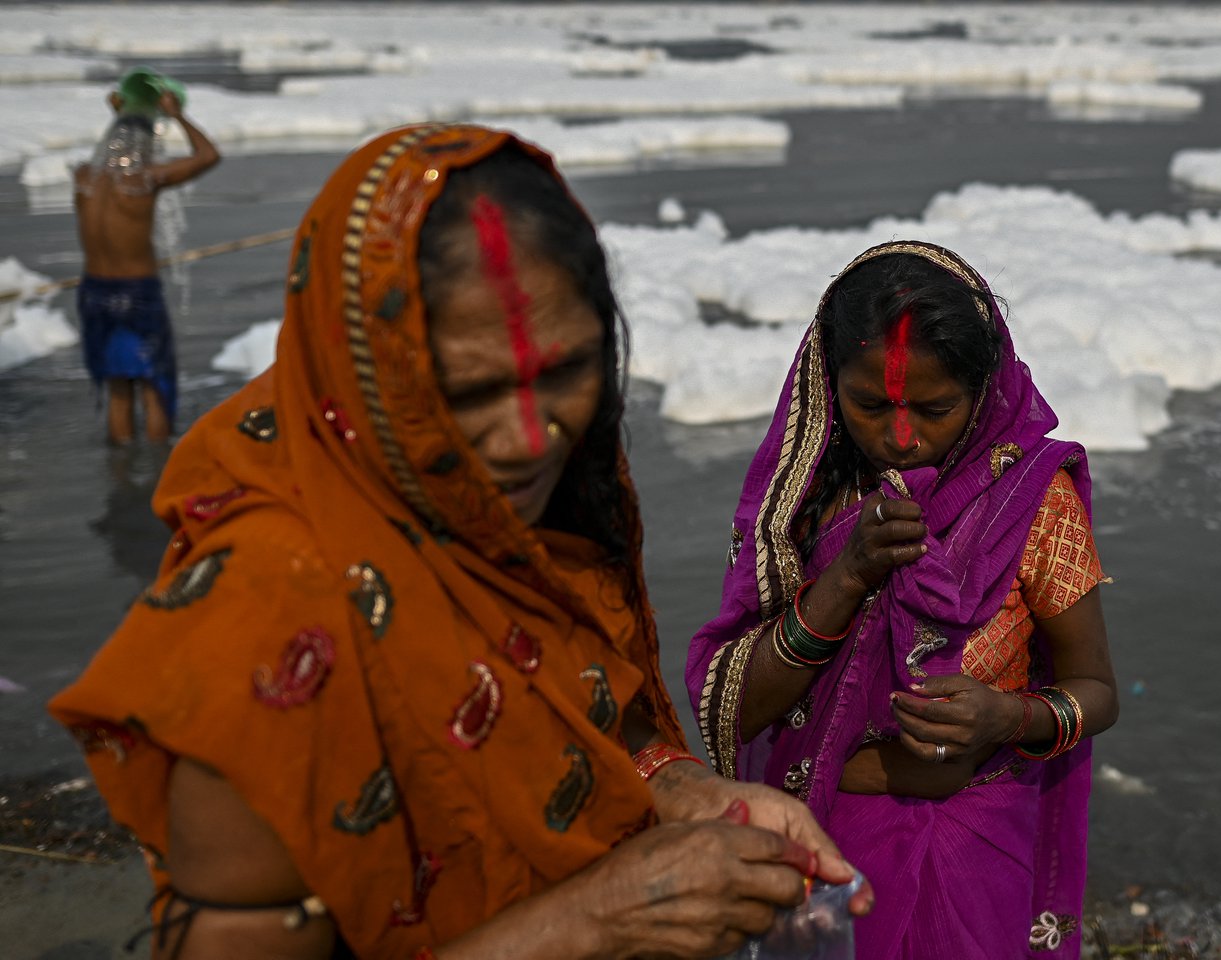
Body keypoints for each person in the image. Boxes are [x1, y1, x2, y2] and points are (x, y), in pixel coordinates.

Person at [49, 125, 870, 958]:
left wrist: (686, 789)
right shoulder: (266, 619)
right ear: (365, 372)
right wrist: (595, 919)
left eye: (566, 372)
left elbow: (590, 720)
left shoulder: (514, 504)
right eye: (467, 390)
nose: (527, 436)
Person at [686, 241, 1120, 959]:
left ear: (983, 390)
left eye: (936, 407)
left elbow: (1097, 690)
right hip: (821, 843)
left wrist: (1006, 716)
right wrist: (848, 577)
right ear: (830, 387)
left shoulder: (1036, 498)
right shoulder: (801, 507)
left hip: (974, 843)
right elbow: (731, 707)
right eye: (869, 406)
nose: (902, 436)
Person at [74, 87, 220, 444]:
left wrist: (122, 117)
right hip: (136, 294)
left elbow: (117, 151)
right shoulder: (145, 179)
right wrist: (177, 116)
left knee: (118, 390)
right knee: (154, 385)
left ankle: (121, 475)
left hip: (94, 294)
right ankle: (158, 472)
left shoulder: (84, 179)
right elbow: (208, 155)